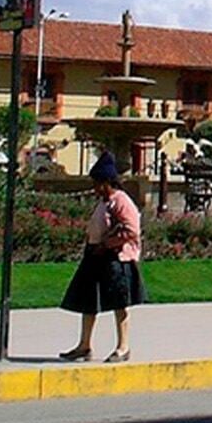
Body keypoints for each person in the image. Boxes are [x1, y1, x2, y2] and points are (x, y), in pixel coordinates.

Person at [60, 153, 145, 363]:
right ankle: (84, 345)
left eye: (98, 183)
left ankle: (123, 347)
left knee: (120, 303)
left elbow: (132, 230)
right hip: (96, 257)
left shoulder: (121, 202)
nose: (96, 188)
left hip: (116, 259)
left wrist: (107, 244)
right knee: (89, 301)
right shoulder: (104, 202)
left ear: (108, 182)